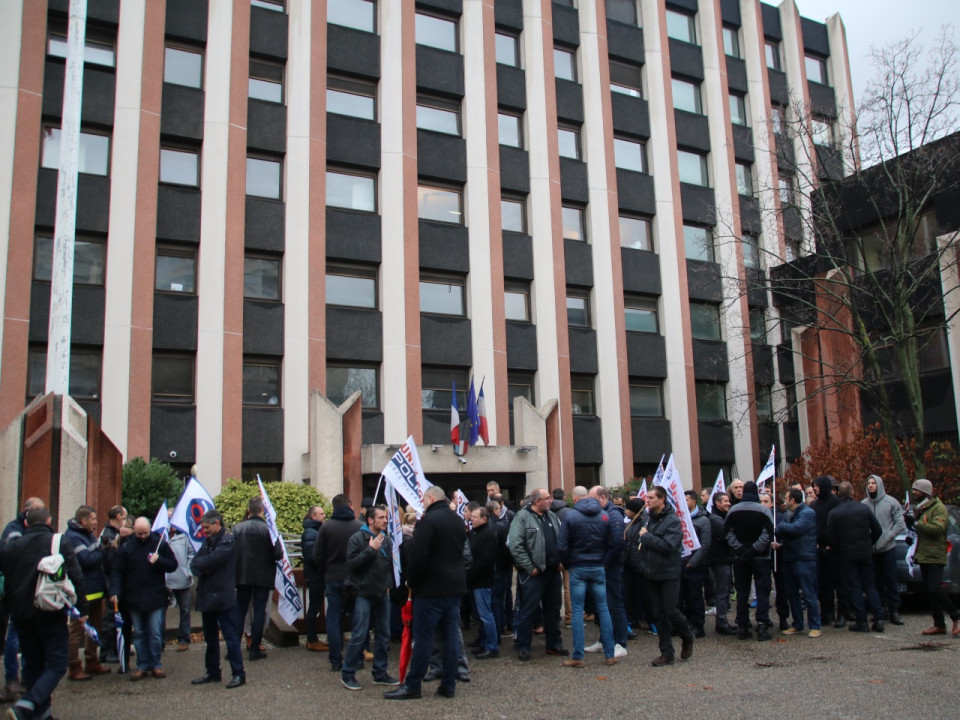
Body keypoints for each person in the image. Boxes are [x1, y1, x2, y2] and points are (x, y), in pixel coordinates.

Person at [0, 506, 87, 720]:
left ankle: (41, 714)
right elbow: (76, 575)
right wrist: (81, 609)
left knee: (33, 663)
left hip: (21, 613)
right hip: (50, 610)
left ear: (26, 524)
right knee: (57, 663)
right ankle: (27, 705)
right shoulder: (58, 542)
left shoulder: (12, 547)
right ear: (49, 521)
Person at [385, 486, 466, 701]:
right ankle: (448, 684)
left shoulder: (428, 521)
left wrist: (411, 581)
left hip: (430, 589)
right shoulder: (457, 520)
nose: (422, 503)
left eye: (423, 500)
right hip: (454, 586)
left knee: (423, 639)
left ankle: (413, 685)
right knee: (451, 637)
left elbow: (418, 557)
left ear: (431, 498)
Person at [109, 517, 178, 680]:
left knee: (154, 633)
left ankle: (156, 663)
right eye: (139, 533)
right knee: (139, 633)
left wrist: (159, 560)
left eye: (145, 533)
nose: (142, 536)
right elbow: (117, 571)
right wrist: (115, 592)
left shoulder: (158, 542)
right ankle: (142, 664)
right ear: (134, 530)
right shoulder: (127, 547)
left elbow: (173, 564)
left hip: (155, 597)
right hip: (134, 597)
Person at [557, 486, 617, 668]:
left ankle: (578, 656)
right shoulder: (604, 516)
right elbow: (612, 543)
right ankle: (610, 654)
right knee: (604, 609)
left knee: (577, 611)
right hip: (598, 567)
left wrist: (569, 564)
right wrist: (604, 561)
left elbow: (561, 546)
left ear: (575, 499)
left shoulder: (570, 516)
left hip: (578, 567)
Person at [340, 506, 399, 691]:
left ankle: (380, 672)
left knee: (383, 635)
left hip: (382, 593)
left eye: (386, 517)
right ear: (370, 520)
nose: (385, 520)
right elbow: (352, 565)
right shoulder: (357, 539)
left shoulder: (387, 540)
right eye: (381, 517)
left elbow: (389, 564)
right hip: (363, 593)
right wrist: (370, 550)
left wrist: (388, 585)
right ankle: (348, 672)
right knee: (359, 634)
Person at [506, 488, 566, 662]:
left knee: (553, 610)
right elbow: (515, 545)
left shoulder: (552, 517)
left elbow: (561, 539)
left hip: (552, 573)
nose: (551, 501)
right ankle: (524, 646)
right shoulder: (522, 518)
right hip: (533, 574)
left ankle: (554, 644)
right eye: (547, 498)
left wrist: (561, 561)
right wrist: (529, 566)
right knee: (528, 611)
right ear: (536, 501)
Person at [639, 486, 694, 666]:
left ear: (662, 499)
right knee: (658, 614)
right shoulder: (648, 519)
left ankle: (687, 636)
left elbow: (668, 546)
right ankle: (666, 652)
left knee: (671, 610)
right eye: (647, 497)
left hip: (668, 572)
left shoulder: (672, 521)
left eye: (651, 498)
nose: (647, 500)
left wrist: (647, 538)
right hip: (651, 572)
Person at [190, 509, 245, 689]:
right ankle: (212, 671)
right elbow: (195, 564)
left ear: (217, 524)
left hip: (222, 596)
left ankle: (238, 673)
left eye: (206, 527)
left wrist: (205, 565)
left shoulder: (228, 541)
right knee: (210, 637)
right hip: (208, 595)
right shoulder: (209, 542)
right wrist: (205, 566)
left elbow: (212, 561)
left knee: (230, 637)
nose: (204, 531)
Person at [0, 497, 44, 703]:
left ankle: (27, 676)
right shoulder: (14, 531)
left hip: (27, 589)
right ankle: (12, 679)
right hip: (16, 591)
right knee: (15, 634)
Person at [313, 494, 363, 672]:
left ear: (333, 507)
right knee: (357, 616)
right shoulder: (359, 526)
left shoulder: (326, 527)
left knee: (334, 617)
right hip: (354, 577)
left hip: (333, 576)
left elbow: (318, 555)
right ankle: (357, 657)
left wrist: (326, 570)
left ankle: (336, 659)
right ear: (350, 505)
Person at [826, 482, 884, 632]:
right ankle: (879, 619)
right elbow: (877, 529)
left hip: (846, 554)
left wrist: (839, 549)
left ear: (839, 494)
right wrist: (869, 543)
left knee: (854, 588)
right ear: (852, 492)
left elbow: (830, 538)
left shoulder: (835, 513)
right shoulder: (864, 509)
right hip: (865, 552)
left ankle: (862, 621)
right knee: (870, 586)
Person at [63, 505, 111, 681]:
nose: (96, 522)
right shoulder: (73, 537)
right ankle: (74, 667)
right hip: (82, 593)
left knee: (95, 628)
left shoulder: (87, 534)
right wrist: (104, 552)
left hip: (95, 591)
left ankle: (92, 661)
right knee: (76, 631)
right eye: (93, 519)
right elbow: (87, 560)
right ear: (84, 521)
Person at [907, 479, 960, 636]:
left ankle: (955, 616)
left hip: (935, 554)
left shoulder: (939, 509)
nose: (914, 492)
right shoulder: (921, 508)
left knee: (934, 588)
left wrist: (916, 524)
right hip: (923, 554)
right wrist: (911, 534)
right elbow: (921, 530)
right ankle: (939, 624)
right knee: (929, 590)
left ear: (925, 491)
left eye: (917, 490)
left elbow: (937, 529)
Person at [233, 497, 284, 661]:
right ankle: (255, 647)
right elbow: (278, 554)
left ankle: (234, 648)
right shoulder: (269, 530)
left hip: (242, 575)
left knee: (240, 611)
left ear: (249, 510)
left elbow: (231, 552)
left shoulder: (238, 528)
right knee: (259, 610)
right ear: (262, 511)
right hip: (263, 576)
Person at [723, 481, 774, 641]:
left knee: (742, 592)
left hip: (740, 558)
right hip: (761, 557)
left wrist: (740, 549)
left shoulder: (733, 510)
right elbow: (768, 533)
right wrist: (754, 549)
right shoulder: (764, 510)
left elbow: (728, 533)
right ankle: (762, 625)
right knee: (762, 592)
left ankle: (743, 626)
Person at [774, 488, 822, 637]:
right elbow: (785, 533)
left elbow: (796, 529)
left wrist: (781, 527)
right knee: (791, 593)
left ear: (793, 500)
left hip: (804, 557)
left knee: (808, 593)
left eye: (786, 498)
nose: (785, 501)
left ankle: (815, 626)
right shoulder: (790, 514)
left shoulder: (807, 513)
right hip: (790, 557)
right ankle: (798, 624)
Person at [588, 486, 628, 655]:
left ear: (603, 498)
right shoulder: (602, 513)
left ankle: (620, 642)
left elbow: (618, 542)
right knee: (604, 605)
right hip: (604, 566)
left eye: (592, 499)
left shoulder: (613, 514)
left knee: (615, 604)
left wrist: (605, 562)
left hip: (611, 567)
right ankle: (605, 639)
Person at [861, 474, 906, 625]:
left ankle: (894, 610)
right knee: (875, 581)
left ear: (879, 484)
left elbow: (900, 523)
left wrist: (888, 537)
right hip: (871, 549)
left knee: (890, 580)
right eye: (869, 483)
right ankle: (881, 610)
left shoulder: (891, 502)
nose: (871, 485)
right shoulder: (864, 504)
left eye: (873, 483)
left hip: (888, 548)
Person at [811, 475, 845, 627]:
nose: (815, 489)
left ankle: (842, 614)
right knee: (823, 585)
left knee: (839, 583)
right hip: (819, 549)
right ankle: (826, 612)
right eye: (814, 486)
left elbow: (839, 526)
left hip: (834, 550)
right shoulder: (814, 505)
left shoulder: (836, 503)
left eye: (817, 486)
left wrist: (833, 543)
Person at [98, 505, 130, 664]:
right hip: (110, 580)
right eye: (124, 516)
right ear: (118, 516)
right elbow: (108, 561)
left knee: (119, 615)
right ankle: (107, 651)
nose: (125, 519)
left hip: (117, 579)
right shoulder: (108, 535)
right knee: (111, 616)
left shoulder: (115, 533)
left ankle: (118, 647)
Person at [466, 506, 499, 659]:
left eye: (475, 517)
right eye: (471, 516)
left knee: (486, 614)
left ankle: (491, 647)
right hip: (476, 580)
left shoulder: (488, 534)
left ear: (484, 518)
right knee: (480, 615)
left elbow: (487, 559)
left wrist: (471, 572)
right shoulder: (476, 532)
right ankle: (484, 642)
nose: (472, 519)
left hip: (482, 580)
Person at [680, 490, 712, 638]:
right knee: (683, 596)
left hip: (695, 565)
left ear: (694, 501)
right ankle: (685, 624)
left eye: (686, 500)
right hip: (681, 563)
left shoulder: (703, 520)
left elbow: (705, 545)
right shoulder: (680, 519)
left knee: (695, 596)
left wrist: (693, 563)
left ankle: (698, 626)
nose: (684, 502)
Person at [165, 510, 195, 652]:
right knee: (161, 612)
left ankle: (184, 638)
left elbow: (191, 554)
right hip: (165, 582)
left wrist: (188, 572)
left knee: (185, 610)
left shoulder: (184, 536)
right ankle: (159, 641)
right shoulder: (161, 537)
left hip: (183, 580)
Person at [300, 505, 329, 651]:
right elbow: (312, 555)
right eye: (321, 513)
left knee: (315, 606)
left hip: (316, 573)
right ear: (313, 516)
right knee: (314, 607)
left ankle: (313, 638)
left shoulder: (314, 530)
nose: (324, 516)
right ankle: (311, 639)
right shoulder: (311, 532)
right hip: (316, 574)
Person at [707, 492, 736, 635]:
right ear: (717, 503)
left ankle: (722, 621)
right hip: (720, 560)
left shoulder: (720, 518)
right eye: (725, 501)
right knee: (722, 593)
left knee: (723, 592)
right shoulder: (716, 520)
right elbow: (728, 536)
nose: (728, 503)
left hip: (723, 559)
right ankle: (722, 623)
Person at [622, 498, 648, 633]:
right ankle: (631, 617)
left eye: (628, 509)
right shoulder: (630, 523)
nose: (625, 511)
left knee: (640, 593)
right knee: (629, 592)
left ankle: (642, 617)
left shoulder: (644, 523)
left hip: (639, 564)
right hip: (629, 564)